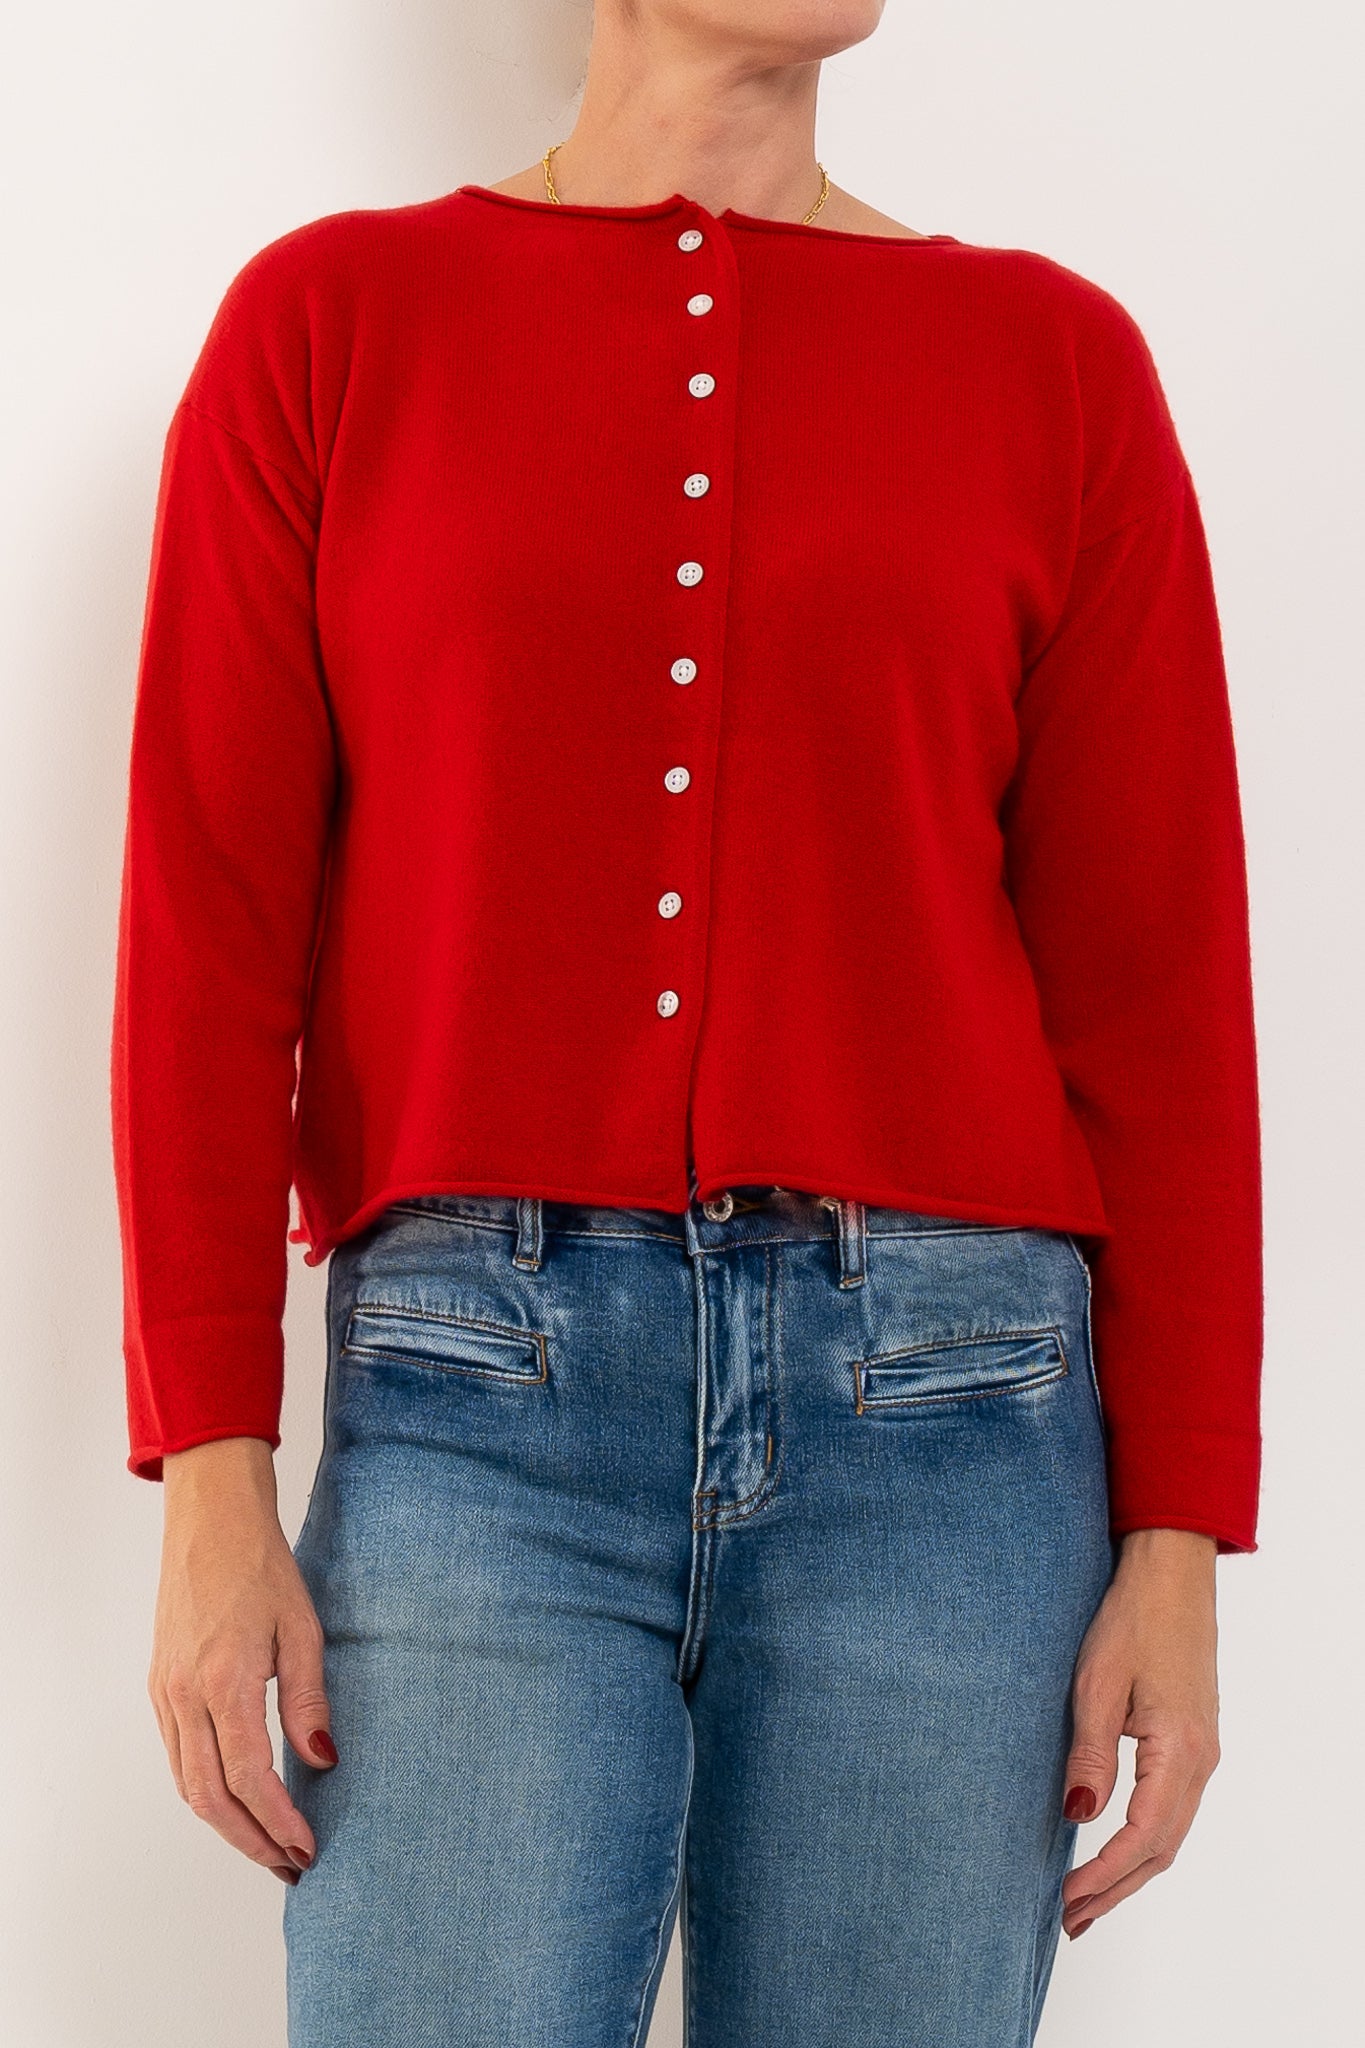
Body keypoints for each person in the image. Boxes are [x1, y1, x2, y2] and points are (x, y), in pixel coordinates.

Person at [111, 3, 1263, 2042]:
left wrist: (1175, 1535)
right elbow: (208, 933)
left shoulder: (1051, 365)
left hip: (952, 1415)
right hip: (473, 1402)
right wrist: (211, 1471)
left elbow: (1156, 992)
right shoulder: (333, 326)